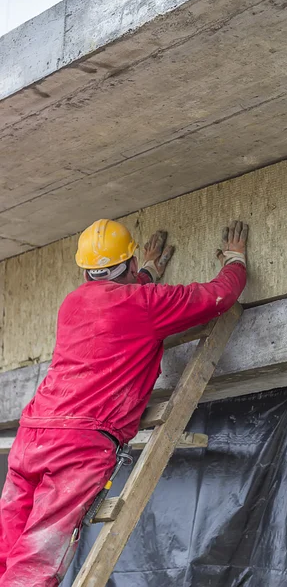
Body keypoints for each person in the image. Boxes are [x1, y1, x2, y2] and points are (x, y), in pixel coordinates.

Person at [0, 218, 248, 586]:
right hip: (78, 446)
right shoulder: (144, 304)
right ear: (129, 264)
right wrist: (235, 261)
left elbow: (112, 299)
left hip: (32, 437)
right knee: (37, 560)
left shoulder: (71, 304)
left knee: (8, 549)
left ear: (86, 271)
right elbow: (217, 297)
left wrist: (147, 272)